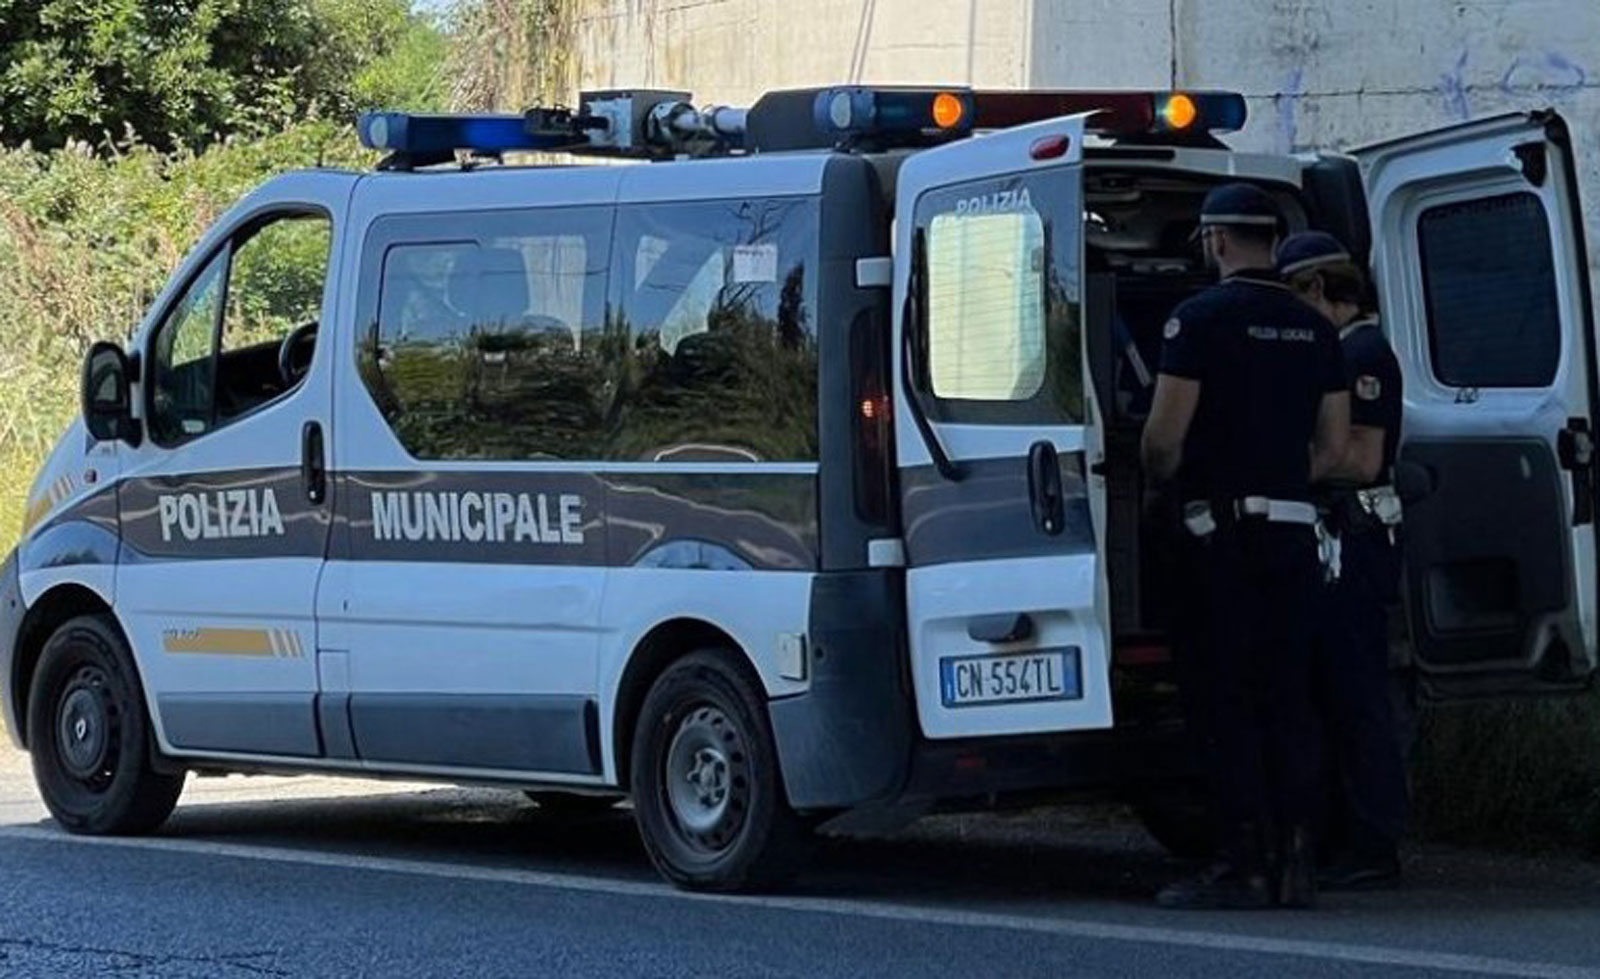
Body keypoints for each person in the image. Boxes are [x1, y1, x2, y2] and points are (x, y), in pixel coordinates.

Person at [1142, 184, 1350, 910]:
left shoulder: (1197, 320)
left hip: (1220, 539)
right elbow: (1333, 445)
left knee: (1223, 699)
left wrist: (1162, 487)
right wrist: (1283, 478)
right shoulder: (1315, 329)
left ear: (1217, 241)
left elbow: (1165, 440)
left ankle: (1244, 859)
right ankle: (1298, 860)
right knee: (1289, 697)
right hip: (1294, 535)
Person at [1278, 231, 1408, 890]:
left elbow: (1361, 456)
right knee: (1330, 692)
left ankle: (1371, 840)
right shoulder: (1340, 349)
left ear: (1319, 288)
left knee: (1357, 694)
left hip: (1353, 540)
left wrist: (1284, 469)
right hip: (1332, 539)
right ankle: (1339, 834)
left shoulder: (1363, 353)